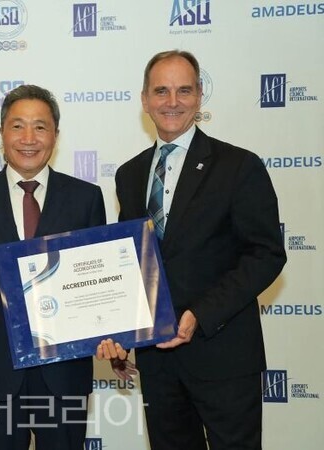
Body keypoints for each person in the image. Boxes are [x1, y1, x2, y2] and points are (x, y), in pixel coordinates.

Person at [108, 50, 287, 449]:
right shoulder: (129, 174)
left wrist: (199, 315)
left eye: (184, 90)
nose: (172, 101)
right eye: (161, 91)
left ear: (200, 95)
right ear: (144, 100)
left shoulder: (239, 166)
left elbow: (266, 254)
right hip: (158, 362)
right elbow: (132, 263)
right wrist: (122, 334)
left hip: (223, 356)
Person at [0, 84, 107, 450]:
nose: (29, 138)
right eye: (18, 126)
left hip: (64, 373)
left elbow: (98, 283)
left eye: (40, 126)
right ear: (2, 131)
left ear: (55, 134)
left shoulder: (86, 198)